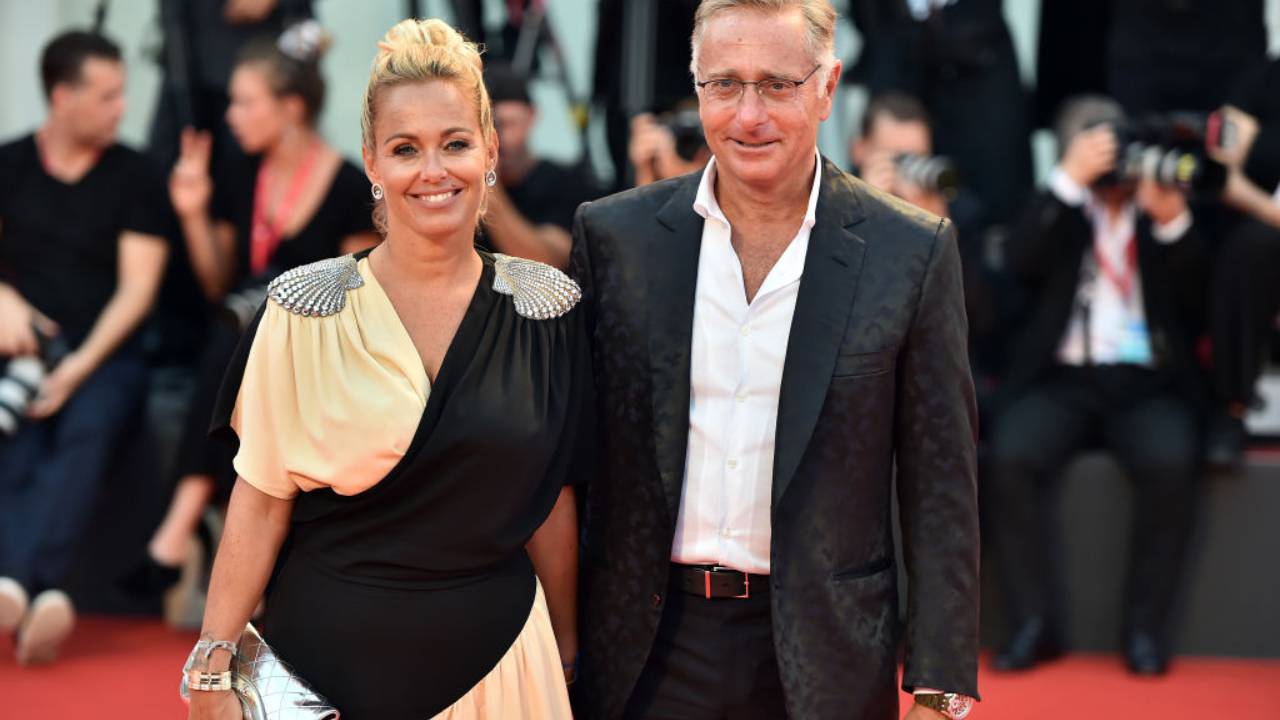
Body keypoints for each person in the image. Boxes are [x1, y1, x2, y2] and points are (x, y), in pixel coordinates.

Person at [571, 1, 980, 718]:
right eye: (724, 84)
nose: (748, 115)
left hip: (829, 651)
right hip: (645, 648)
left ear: (827, 87)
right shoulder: (615, 238)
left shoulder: (910, 252)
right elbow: (573, 458)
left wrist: (940, 688)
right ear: (696, 88)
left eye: (777, 85)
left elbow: (941, 484)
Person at [184, 19, 586, 720]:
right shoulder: (300, 308)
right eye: (405, 149)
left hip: (502, 669)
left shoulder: (546, 309)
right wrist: (214, 660)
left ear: (489, 150)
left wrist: (569, 643)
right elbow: (260, 499)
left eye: (455, 143)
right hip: (319, 672)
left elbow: (549, 499)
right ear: (372, 162)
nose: (433, 171)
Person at [129, 22, 380, 597]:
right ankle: (200, 542)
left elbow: (357, 296)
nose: (231, 116)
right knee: (234, 332)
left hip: (315, 351)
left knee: (239, 333)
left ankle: (179, 530)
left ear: (290, 108)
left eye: (244, 102)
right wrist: (192, 212)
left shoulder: (347, 184)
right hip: (243, 346)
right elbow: (218, 281)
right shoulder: (240, 174)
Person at [986, 96, 1208, 676]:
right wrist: (1066, 183)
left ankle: (1145, 632)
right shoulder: (1057, 207)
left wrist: (1171, 222)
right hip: (1062, 379)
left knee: (1171, 460)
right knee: (1009, 456)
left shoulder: (1156, 200)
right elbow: (1018, 263)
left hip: (1146, 381)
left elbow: (1199, 303)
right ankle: (1033, 625)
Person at [0, 30, 169, 665]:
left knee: (86, 425)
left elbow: (137, 291)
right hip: (22, 353)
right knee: (18, 438)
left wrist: (77, 369)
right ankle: (36, 590)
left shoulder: (136, 175)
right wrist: (4, 300)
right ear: (62, 96)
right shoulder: (9, 164)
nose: (121, 108)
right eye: (107, 96)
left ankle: (20, 581)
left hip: (105, 355)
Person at [479, 62, 600, 269]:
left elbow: (547, 264)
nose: (497, 140)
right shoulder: (460, 187)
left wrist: (488, 186)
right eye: (486, 127)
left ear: (532, 115)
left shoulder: (566, 184)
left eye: (505, 124)